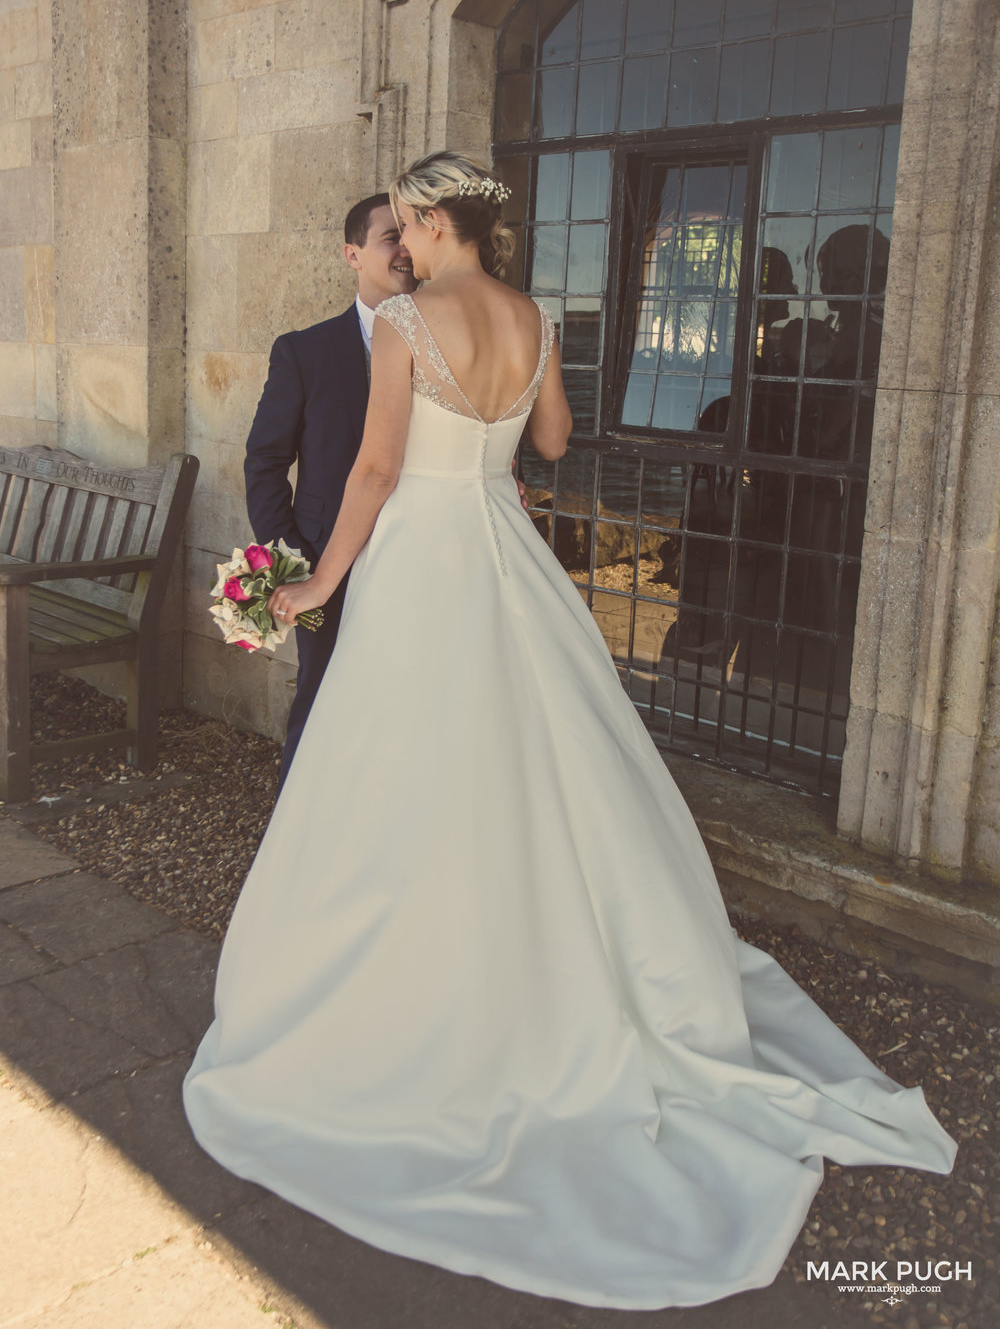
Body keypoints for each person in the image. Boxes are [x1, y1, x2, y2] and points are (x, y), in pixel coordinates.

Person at [185, 152, 956, 1311]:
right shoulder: (529, 312)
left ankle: (430, 988)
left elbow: (379, 467)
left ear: (439, 222)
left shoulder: (403, 318)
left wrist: (312, 586)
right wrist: (493, 431)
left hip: (423, 563)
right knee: (548, 758)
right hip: (508, 552)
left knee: (410, 765)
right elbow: (550, 443)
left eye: (405, 223)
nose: (396, 242)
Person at [244, 194, 417, 787]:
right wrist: (291, 557)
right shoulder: (304, 351)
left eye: (411, 235)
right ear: (353, 254)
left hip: (421, 553)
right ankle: (296, 833)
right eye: (390, 236)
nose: (405, 249)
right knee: (321, 697)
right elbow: (265, 462)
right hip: (323, 563)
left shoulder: (445, 348)